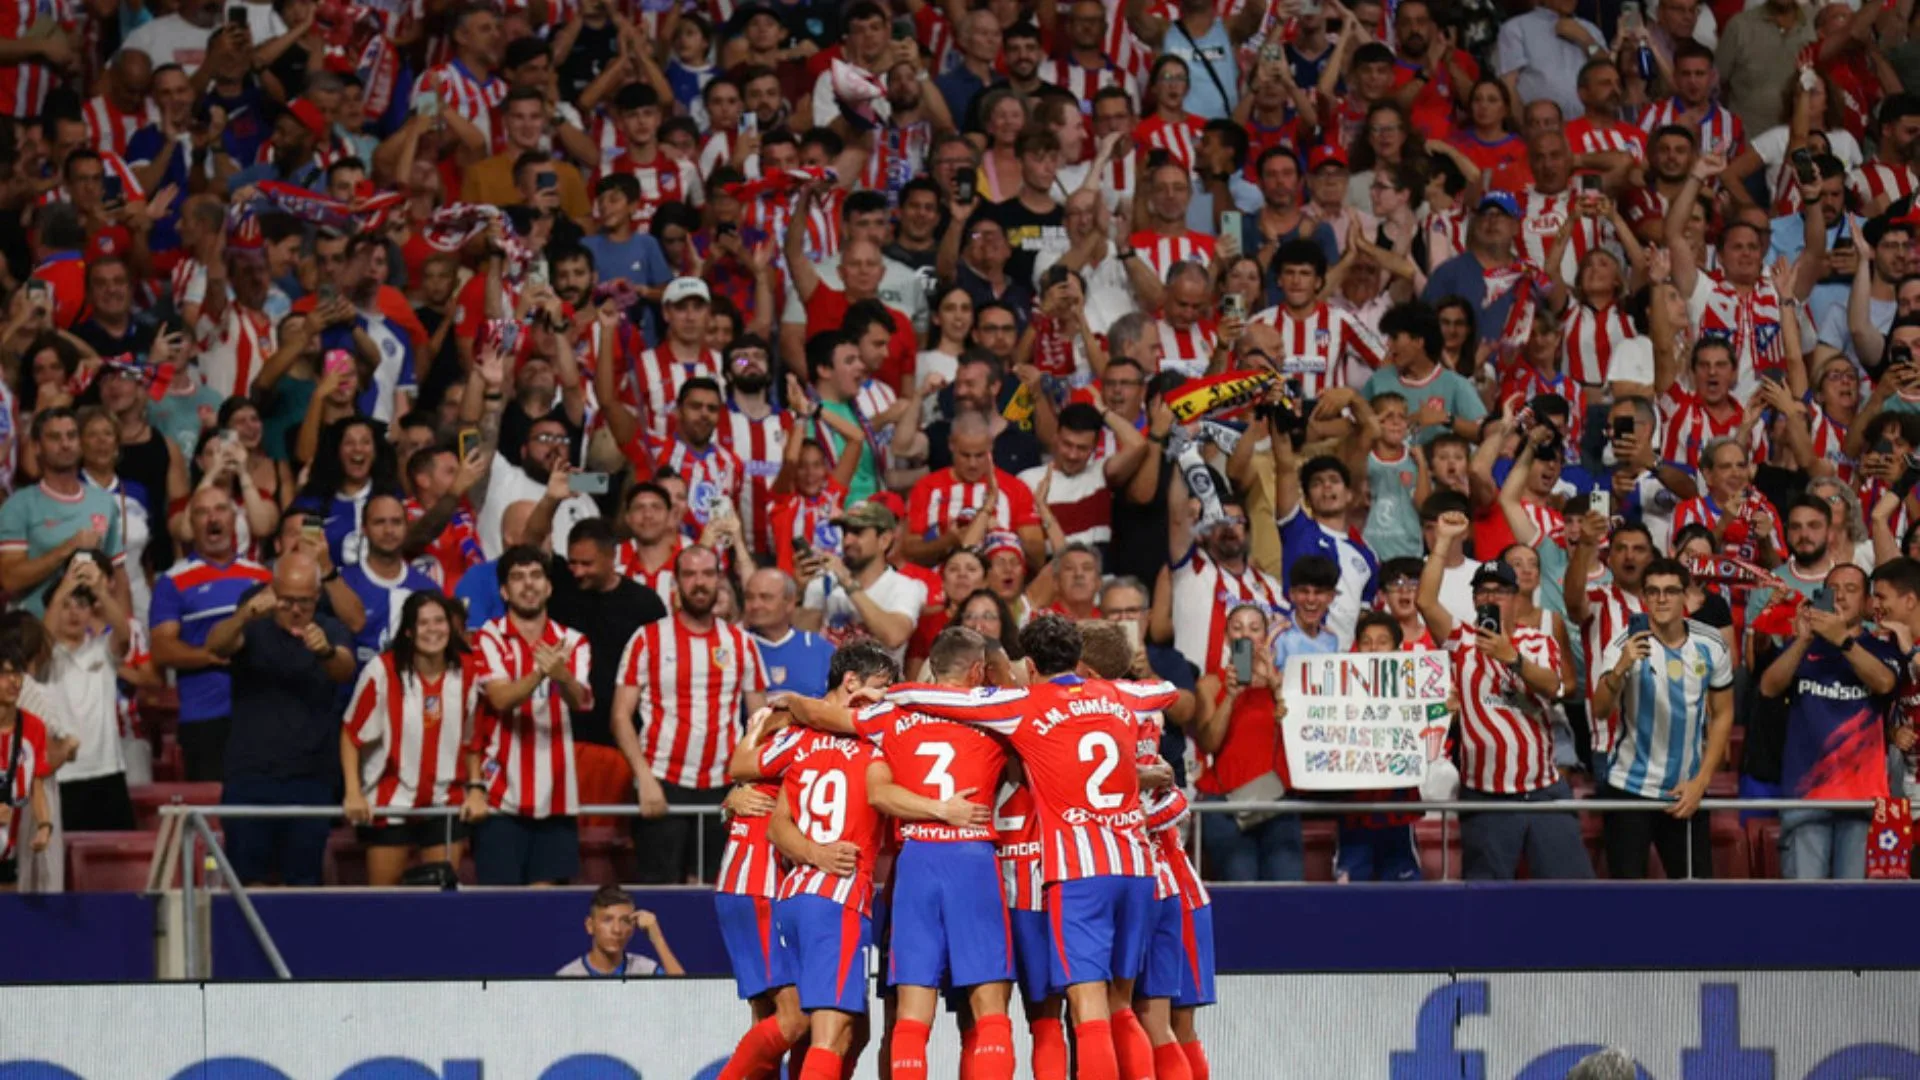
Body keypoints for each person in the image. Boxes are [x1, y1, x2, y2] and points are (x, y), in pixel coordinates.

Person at [1418, 511, 1591, 880]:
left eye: (1500, 591)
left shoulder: (1538, 641)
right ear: (1475, 598)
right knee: (1486, 902)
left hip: (1544, 791)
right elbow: (1426, 603)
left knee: (1573, 896)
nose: (1492, 597)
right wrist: (1445, 542)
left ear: (1516, 597)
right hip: (1486, 796)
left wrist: (1511, 658)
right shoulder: (1462, 642)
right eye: (1484, 591)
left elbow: (1553, 686)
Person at [613, 545, 768, 884]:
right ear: (676, 584)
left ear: (720, 581)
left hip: (725, 786)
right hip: (662, 781)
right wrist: (644, 777)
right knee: (660, 892)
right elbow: (620, 716)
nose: (699, 583)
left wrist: (749, 780)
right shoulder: (647, 639)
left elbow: (760, 719)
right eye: (690, 574)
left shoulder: (741, 644)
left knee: (720, 888)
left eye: (708, 574)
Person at [205, 551, 356, 886]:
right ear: (272, 591)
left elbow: (344, 668)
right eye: (286, 601)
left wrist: (324, 652)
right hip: (250, 777)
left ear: (317, 597)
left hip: (310, 778)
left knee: (302, 887)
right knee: (246, 886)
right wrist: (244, 615)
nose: (296, 610)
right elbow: (216, 645)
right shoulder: (252, 623)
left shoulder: (329, 628)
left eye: (304, 601)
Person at [1591, 558, 1734, 879]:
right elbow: (1600, 710)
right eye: (1653, 591)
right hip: (1629, 790)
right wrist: (1621, 668)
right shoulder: (1622, 645)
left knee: (1696, 899)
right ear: (1644, 597)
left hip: (1685, 792)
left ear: (1688, 597)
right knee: (1627, 904)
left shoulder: (1711, 644)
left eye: (1670, 591)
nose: (1661, 599)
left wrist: (1701, 781)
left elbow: (1723, 713)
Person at [1757, 563, 1900, 879]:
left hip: (1863, 802)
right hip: (1806, 799)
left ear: (1866, 603)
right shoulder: (1803, 649)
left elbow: (1885, 683)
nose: (1840, 597)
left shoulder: (1881, 648)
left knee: (1858, 910)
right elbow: (1768, 687)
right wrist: (1805, 640)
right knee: (1804, 908)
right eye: (1832, 589)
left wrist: (1844, 643)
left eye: (1851, 590)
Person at [341, 591, 487, 886]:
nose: (433, 630)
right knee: (384, 903)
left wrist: (475, 788)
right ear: (408, 631)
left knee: (440, 901)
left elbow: (472, 740)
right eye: (423, 623)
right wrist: (353, 791)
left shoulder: (468, 673)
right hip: (389, 801)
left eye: (439, 621)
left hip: (445, 801)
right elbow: (350, 733)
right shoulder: (381, 672)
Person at [471, 546, 594, 886]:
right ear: (504, 591)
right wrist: (541, 673)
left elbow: (580, 701)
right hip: (500, 799)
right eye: (518, 577)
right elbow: (499, 698)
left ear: (549, 587)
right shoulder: (488, 637)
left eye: (536, 576)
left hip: (557, 796)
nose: (529, 585)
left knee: (545, 908)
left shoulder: (574, 641)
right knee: (500, 910)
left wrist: (562, 675)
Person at [547, 517, 667, 828]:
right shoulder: (561, 590)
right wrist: (551, 499)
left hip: (624, 742)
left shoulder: (645, 604)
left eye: (586, 563)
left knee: (615, 835)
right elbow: (530, 540)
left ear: (611, 556)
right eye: (572, 562)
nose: (577, 571)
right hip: (567, 737)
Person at [148, 488, 274, 781]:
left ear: (234, 520)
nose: (212, 519)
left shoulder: (262, 577)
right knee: (211, 815)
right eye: (202, 512)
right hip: (204, 718)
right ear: (191, 524)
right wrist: (207, 656)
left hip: (260, 714)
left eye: (220, 509)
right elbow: (162, 648)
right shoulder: (172, 581)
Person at [1190, 603, 1299, 882]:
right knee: (1241, 884)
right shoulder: (1211, 684)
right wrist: (1230, 697)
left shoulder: (1286, 683)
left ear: (1265, 636)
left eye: (1254, 628)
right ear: (1227, 638)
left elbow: (1301, 739)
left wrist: (1277, 690)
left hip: (1276, 797)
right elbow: (1209, 743)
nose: (1246, 635)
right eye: (1237, 628)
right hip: (1226, 800)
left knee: (1287, 887)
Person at [0, 408, 129, 618]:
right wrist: (68, 548)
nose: (65, 444)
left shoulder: (103, 502)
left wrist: (126, 632)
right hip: (36, 632)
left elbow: (119, 575)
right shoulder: (18, 505)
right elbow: (9, 579)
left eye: (72, 436)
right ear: (36, 447)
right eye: (54, 437)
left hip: (90, 636)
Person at [43, 553, 135, 831]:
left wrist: (98, 589)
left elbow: (124, 633)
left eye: (81, 605)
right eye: (66, 605)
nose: (73, 612)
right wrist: (64, 586)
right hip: (61, 776)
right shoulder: (44, 658)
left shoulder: (102, 650)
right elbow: (42, 642)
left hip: (107, 771)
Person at [796, 501, 928, 662]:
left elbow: (894, 636)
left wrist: (848, 583)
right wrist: (801, 592)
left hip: (879, 684)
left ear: (884, 540)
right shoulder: (823, 584)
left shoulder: (906, 587)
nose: (847, 541)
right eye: (845, 532)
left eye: (857, 532)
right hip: (828, 682)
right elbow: (803, 642)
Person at [0, 641, 54, 891]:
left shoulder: (34, 727)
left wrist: (44, 825)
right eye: (5, 673)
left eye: (17, 673)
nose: (14, 682)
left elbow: (37, 787)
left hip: (7, 851)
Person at [555, 885, 686, 977]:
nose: (617, 930)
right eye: (607, 920)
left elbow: (683, 996)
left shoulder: (645, 970)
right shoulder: (568, 977)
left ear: (633, 927)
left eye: (625, 921)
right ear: (590, 925)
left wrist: (657, 939)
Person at [742, 568, 834, 698]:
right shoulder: (737, 647)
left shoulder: (820, 649)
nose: (756, 605)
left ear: (790, 602)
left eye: (766, 597)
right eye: (749, 598)